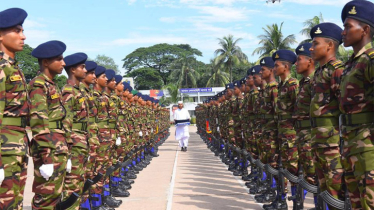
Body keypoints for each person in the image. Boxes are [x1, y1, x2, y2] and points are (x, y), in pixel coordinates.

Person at [340, 1, 374, 209]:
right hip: (351, 142)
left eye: (348, 27)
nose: (343, 32)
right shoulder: (352, 63)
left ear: (365, 30)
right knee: (356, 203)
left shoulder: (370, 60)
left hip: (368, 146)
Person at [29, 40, 69, 209]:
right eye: (59, 59)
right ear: (46, 62)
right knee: (46, 196)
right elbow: (39, 121)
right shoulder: (38, 85)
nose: (64, 63)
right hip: (48, 149)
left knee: (55, 194)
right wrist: (46, 158)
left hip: (57, 146)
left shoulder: (51, 85)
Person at [309, 22, 345, 210]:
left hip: (332, 142)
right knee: (323, 187)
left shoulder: (337, 70)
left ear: (330, 46)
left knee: (335, 188)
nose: (311, 48)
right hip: (319, 140)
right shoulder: (319, 72)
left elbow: (345, 107)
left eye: (315, 43)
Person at [0, 7, 29, 210]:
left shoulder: (13, 67)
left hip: (17, 144)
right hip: (5, 148)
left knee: (15, 201)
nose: (23, 36)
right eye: (17, 31)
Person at [61, 52, 89, 210]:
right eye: (82, 67)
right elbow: (66, 122)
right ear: (73, 70)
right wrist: (69, 151)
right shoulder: (68, 92)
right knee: (72, 183)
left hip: (82, 141)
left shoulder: (79, 91)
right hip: (74, 144)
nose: (85, 71)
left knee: (79, 181)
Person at [293, 43, 317, 207]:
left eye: (299, 60)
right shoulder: (303, 83)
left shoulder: (316, 81)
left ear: (309, 61)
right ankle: (297, 203)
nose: (296, 64)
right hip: (302, 136)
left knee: (316, 178)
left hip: (314, 137)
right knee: (306, 175)